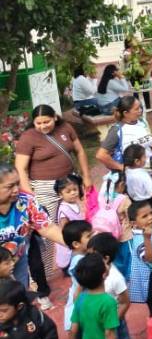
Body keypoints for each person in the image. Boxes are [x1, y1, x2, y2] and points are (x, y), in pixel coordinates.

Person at [15, 105, 92, 306]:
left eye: (46, 122)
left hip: (69, 184)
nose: (43, 126)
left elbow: (79, 151)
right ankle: (44, 277)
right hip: (43, 188)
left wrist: (86, 176)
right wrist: (28, 194)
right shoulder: (28, 138)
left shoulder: (65, 128)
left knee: (75, 221)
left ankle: (78, 261)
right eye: (38, 123)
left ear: (55, 118)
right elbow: (21, 168)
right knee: (46, 234)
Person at [0, 165, 64, 292]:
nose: (16, 190)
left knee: (19, 293)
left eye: (17, 183)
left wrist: (73, 243)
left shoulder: (26, 201)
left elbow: (47, 228)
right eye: (10, 186)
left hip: (17, 258)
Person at [87, 233, 131, 339]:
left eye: (92, 256)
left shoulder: (116, 278)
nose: (88, 259)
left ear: (106, 258)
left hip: (114, 320)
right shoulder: (94, 270)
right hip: (99, 321)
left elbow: (125, 302)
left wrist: (112, 323)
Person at [96, 94, 152, 177]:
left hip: (151, 171)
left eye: (140, 107)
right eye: (136, 109)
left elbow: (149, 145)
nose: (140, 110)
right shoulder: (117, 130)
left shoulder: (142, 122)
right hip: (134, 177)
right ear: (126, 113)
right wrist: (122, 167)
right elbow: (101, 155)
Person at [54, 176, 84, 274]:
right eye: (68, 191)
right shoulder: (64, 210)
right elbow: (65, 231)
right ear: (60, 194)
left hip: (78, 242)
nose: (73, 193)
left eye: (75, 189)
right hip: (70, 248)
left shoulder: (75, 203)